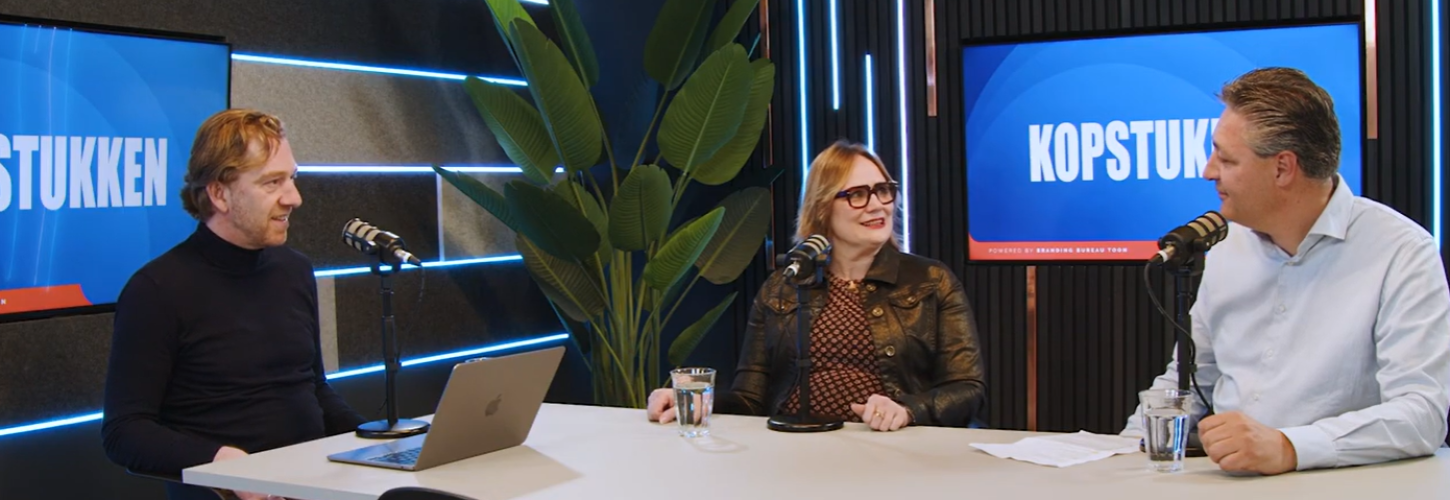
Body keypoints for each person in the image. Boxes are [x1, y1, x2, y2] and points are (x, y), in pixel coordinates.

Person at [1122, 68, 1450, 474]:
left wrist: (1289, 447)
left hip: (1342, 484)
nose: (1208, 171)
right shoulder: (1227, 246)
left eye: (1225, 158)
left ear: (1282, 168)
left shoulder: (1400, 252)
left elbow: (1421, 416)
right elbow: (1187, 384)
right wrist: (1118, 456)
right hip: (1225, 482)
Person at [102, 109, 365, 500]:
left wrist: (378, 441)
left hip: (316, 487)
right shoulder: (156, 289)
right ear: (219, 193)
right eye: (272, 182)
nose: (294, 198)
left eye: (291, 178)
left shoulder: (294, 270)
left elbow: (313, 390)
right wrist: (223, 462)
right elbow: (125, 431)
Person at [646, 140, 987, 431]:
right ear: (822, 208)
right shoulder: (784, 286)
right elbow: (751, 398)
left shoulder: (931, 281)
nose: (877, 204)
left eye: (883, 191)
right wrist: (700, 400)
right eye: (857, 194)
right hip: (794, 449)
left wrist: (910, 410)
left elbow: (968, 389)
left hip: (888, 448)